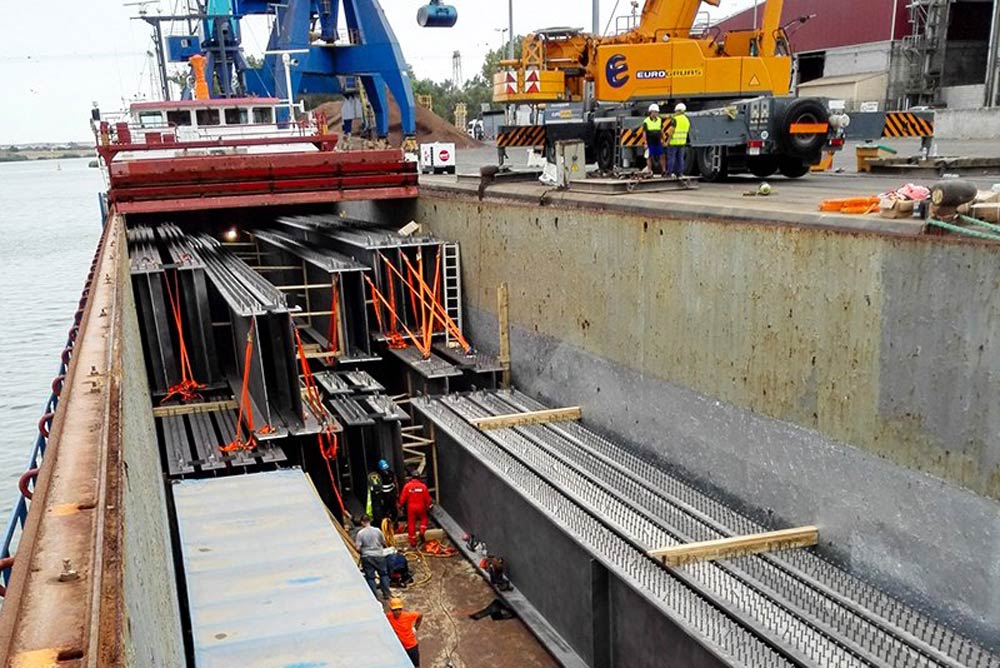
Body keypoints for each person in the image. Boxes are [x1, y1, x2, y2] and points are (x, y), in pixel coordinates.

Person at [354, 515, 391, 600]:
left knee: (370, 577)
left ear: (362, 522)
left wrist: (362, 552)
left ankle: (375, 596)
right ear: (370, 520)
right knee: (383, 574)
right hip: (379, 555)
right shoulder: (377, 531)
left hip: (367, 557)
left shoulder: (360, 533)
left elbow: (357, 548)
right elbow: (384, 542)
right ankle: (386, 594)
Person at [398, 472, 433, 547]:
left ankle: (413, 542)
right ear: (419, 477)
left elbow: (402, 498)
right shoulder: (423, 486)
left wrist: (400, 505)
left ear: (412, 477)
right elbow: (428, 499)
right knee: (424, 518)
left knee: (411, 523)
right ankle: (422, 531)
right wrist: (430, 505)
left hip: (411, 508)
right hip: (421, 507)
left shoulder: (407, 486)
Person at [386, 598, 423, 666]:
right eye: (395, 610)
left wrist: (415, 628)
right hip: (400, 647)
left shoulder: (407, 616)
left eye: (399, 609)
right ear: (391, 610)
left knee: (416, 665)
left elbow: (420, 615)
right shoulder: (389, 616)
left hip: (412, 646)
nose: (397, 612)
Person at [366, 459, 398, 528]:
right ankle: (384, 525)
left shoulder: (391, 473)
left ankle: (394, 523)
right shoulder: (378, 476)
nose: (385, 471)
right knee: (384, 510)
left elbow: (394, 483)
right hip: (383, 495)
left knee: (393, 509)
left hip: (391, 494)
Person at [665, 102, 690, 178]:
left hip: (673, 142)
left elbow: (672, 131)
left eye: (676, 111)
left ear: (679, 111)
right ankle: (679, 173)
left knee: (671, 158)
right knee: (680, 159)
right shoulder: (687, 120)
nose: (675, 113)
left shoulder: (675, 119)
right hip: (682, 142)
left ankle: (669, 173)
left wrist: (667, 141)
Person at [643, 103, 666, 175]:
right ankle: (649, 170)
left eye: (657, 112)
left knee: (662, 155)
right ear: (651, 112)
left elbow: (661, 131)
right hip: (650, 141)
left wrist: (663, 139)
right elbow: (644, 133)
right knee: (649, 156)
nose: (656, 113)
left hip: (658, 141)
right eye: (655, 112)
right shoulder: (646, 121)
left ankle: (664, 170)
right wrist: (645, 142)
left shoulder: (659, 120)